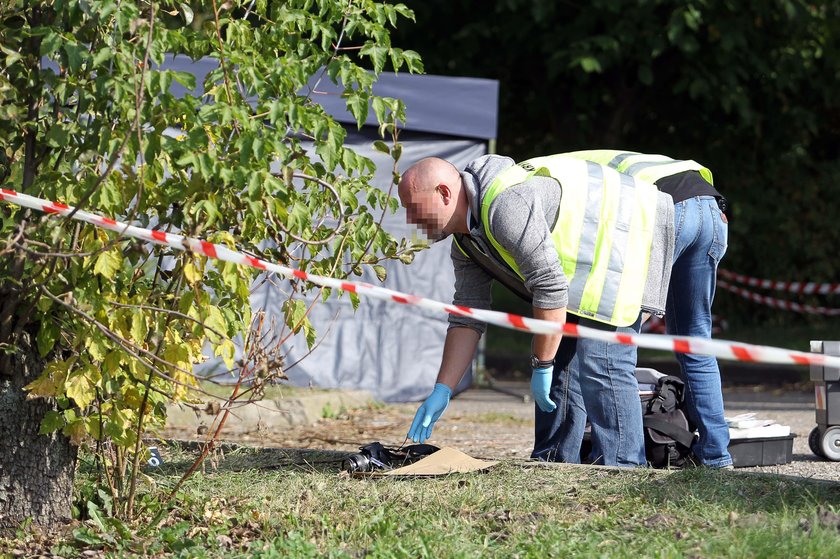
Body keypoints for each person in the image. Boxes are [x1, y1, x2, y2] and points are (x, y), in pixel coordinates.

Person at [398, 154, 676, 467]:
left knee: (601, 362)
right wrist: (443, 389)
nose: (411, 220)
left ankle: (625, 468)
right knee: (561, 363)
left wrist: (539, 364)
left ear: (444, 194)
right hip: (579, 273)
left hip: (623, 243)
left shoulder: (505, 205)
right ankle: (553, 463)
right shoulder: (466, 244)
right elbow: (468, 316)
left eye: (413, 206)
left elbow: (550, 288)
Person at [552, 150, 732, 469]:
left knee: (613, 347)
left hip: (662, 211)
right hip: (712, 211)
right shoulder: (611, 159)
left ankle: (625, 463)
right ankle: (717, 457)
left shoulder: (563, 177)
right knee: (695, 340)